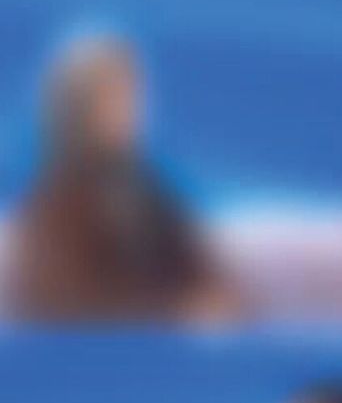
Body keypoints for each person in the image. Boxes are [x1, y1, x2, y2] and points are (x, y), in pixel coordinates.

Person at [9, 33, 233, 322]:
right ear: (78, 107)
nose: (131, 111)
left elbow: (197, 265)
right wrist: (172, 311)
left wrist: (214, 299)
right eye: (114, 99)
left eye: (132, 97)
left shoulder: (147, 188)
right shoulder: (55, 203)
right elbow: (65, 304)